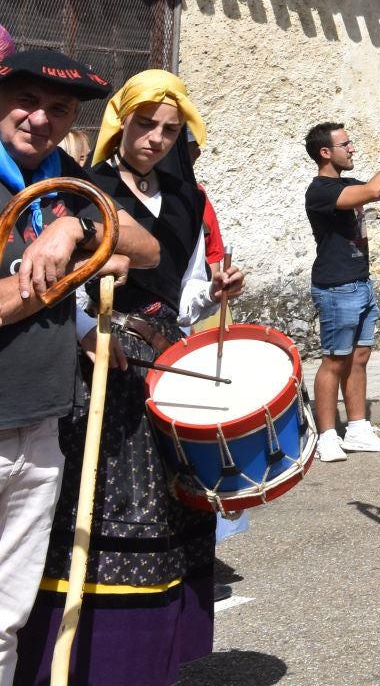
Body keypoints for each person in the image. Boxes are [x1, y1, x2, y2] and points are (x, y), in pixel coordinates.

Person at [15, 70, 240, 686]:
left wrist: (211, 291)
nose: (157, 138)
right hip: (101, 364)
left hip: (163, 358)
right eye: (146, 124)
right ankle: (70, 660)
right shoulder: (86, 188)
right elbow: (60, 283)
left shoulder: (189, 195)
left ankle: (145, 662)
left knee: (171, 512)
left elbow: (183, 287)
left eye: (170, 129)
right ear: (122, 121)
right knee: (93, 509)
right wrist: (90, 326)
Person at [0, 48, 158, 686]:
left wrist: (73, 235)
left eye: (58, 109)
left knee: (6, 614)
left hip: (40, 422)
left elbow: (145, 247)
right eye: (26, 101)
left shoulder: (66, 178)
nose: (39, 118)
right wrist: (71, 273)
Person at [303, 121, 380, 461]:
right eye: (346, 144)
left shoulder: (347, 184)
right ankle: (326, 435)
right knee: (334, 361)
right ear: (326, 153)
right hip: (336, 287)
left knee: (359, 358)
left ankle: (357, 429)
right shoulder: (321, 191)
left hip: (360, 283)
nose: (352, 148)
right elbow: (372, 190)